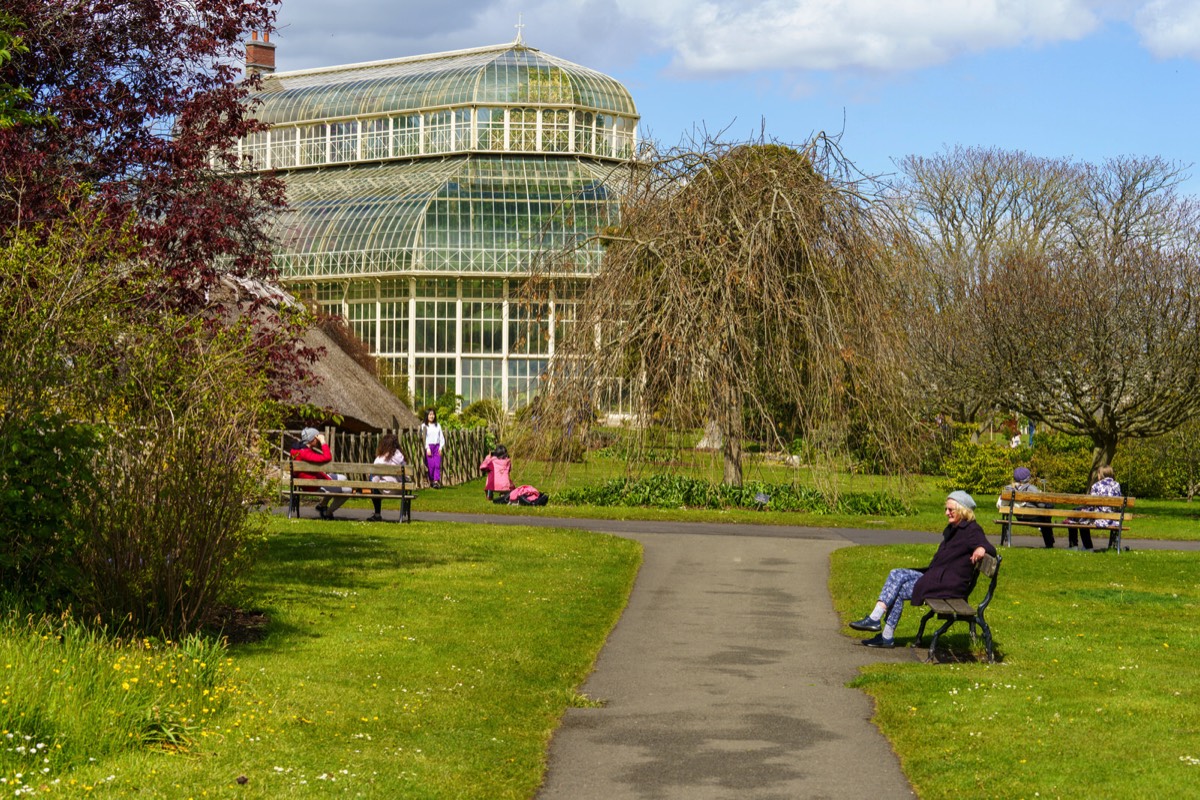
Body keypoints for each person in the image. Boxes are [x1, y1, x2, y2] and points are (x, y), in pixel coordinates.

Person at [848, 490, 997, 648]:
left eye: (950, 510)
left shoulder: (972, 530)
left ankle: (878, 624)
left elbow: (990, 548)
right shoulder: (955, 528)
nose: (947, 513)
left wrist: (981, 549)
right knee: (896, 576)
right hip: (938, 577)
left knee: (897, 584)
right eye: (946, 509)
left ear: (962, 510)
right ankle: (883, 632)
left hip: (948, 585)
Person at [289, 427, 349, 520]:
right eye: (317, 439)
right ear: (312, 439)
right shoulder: (305, 453)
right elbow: (327, 457)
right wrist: (323, 441)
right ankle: (328, 513)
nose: (317, 441)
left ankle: (322, 505)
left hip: (314, 478)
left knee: (343, 478)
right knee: (348, 490)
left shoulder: (298, 450)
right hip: (313, 484)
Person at [997, 466, 1056, 548]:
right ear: (1027, 478)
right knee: (1046, 517)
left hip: (1019, 516)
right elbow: (1040, 504)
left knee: (1045, 517)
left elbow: (1002, 504)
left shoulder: (1008, 489)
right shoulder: (1031, 488)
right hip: (1033, 517)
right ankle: (1049, 544)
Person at [1069, 465, 1122, 551]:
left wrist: (1083, 510)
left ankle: (1083, 546)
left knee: (1079, 516)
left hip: (1099, 519)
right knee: (1082, 516)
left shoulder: (1096, 486)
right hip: (1114, 519)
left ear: (1100, 475)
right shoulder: (1117, 485)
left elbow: (1091, 505)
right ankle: (1088, 546)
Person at [368, 433, 406, 522]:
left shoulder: (380, 459)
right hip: (399, 489)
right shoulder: (401, 458)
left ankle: (377, 514)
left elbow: (375, 480)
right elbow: (407, 477)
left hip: (384, 489)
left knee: (372, 479)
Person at [419, 409, 446, 488]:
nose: (432, 416)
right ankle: (431, 480)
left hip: (437, 446)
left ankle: (436, 481)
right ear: (427, 416)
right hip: (429, 447)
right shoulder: (424, 426)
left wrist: (441, 447)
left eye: (433, 414)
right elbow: (424, 438)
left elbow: (441, 436)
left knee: (437, 464)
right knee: (431, 465)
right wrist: (427, 448)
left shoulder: (438, 425)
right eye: (430, 414)